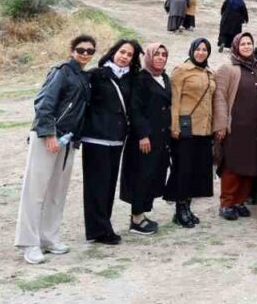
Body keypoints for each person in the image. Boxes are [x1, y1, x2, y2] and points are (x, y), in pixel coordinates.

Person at [15, 34, 94, 265]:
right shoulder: (61, 71)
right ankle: (29, 242)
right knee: (35, 191)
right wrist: (49, 133)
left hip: (68, 140)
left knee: (57, 192)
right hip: (49, 138)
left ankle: (48, 237)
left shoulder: (83, 76)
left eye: (90, 51)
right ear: (72, 50)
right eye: (81, 50)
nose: (85, 54)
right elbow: (43, 103)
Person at [81, 38, 138, 245]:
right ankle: (99, 230)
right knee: (96, 186)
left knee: (109, 185)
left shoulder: (130, 78)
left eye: (130, 55)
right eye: (122, 52)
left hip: (116, 139)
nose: (125, 57)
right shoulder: (97, 75)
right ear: (114, 52)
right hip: (96, 137)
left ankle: (103, 225)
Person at [213, 32, 257, 221]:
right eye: (243, 44)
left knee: (251, 163)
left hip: (256, 126)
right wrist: (221, 124)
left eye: (249, 43)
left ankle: (239, 201)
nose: (246, 46)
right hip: (235, 127)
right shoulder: (227, 68)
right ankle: (227, 203)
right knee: (232, 164)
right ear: (236, 46)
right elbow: (220, 97)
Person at [121, 42, 171, 236]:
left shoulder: (164, 78)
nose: (160, 57)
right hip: (145, 139)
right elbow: (135, 109)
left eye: (164, 54)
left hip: (161, 137)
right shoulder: (141, 79)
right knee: (141, 176)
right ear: (149, 57)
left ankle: (142, 214)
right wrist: (142, 135)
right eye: (156, 54)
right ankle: (136, 219)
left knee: (153, 174)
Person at [165, 38, 216, 228]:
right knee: (183, 169)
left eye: (205, 50)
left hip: (204, 129)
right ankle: (180, 209)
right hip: (186, 129)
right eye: (198, 49)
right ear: (192, 50)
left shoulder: (210, 72)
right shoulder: (181, 70)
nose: (201, 53)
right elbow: (175, 99)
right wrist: (175, 126)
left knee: (196, 170)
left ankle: (187, 206)